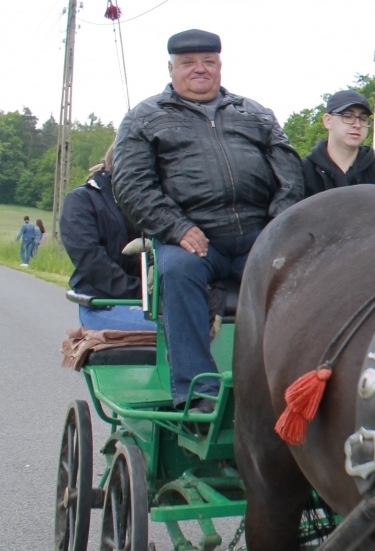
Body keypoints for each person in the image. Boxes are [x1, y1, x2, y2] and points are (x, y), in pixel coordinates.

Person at [114, 29, 303, 410]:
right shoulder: (143, 118)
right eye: (188, 63)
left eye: (209, 62)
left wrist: (278, 226)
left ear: (219, 65)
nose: (200, 69)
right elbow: (131, 183)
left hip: (257, 235)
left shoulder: (256, 113)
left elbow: (291, 173)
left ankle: (288, 387)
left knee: (300, 272)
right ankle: (199, 392)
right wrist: (176, 227)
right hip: (192, 239)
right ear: (171, 68)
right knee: (178, 271)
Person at [60, 147, 149, 332]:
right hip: (103, 304)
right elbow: (92, 262)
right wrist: (143, 291)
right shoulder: (81, 200)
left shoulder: (145, 204)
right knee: (181, 330)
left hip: (147, 302)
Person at [300, 89, 375, 196]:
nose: (357, 124)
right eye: (347, 116)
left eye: (363, 118)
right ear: (328, 121)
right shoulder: (302, 172)